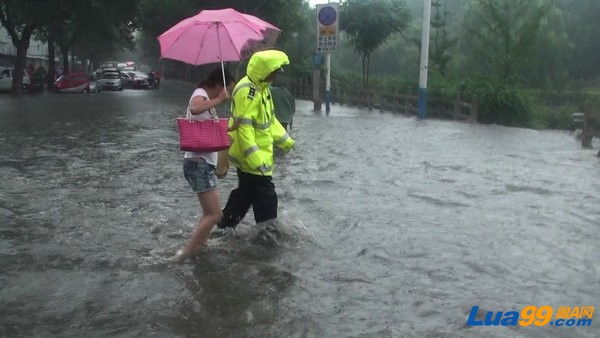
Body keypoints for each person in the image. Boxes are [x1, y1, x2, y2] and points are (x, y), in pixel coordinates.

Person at [217, 50, 295, 244]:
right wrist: (255, 159)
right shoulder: (247, 91)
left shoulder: (263, 88)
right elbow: (244, 128)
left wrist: (285, 139)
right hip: (252, 158)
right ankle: (268, 239)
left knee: (245, 193)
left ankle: (223, 225)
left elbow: (269, 121)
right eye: (273, 71)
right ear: (263, 70)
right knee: (266, 196)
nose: (275, 75)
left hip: (259, 156)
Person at [173, 68, 236, 262]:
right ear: (219, 85)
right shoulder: (200, 95)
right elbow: (194, 109)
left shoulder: (205, 98)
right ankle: (186, 253)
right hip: (198, 164)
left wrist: (234, 126)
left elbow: (209, 125)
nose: (228, 93)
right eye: (227, 89)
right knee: (215, 214)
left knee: (210, 213)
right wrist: (219, 100)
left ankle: (200, 244)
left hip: (200, 164)